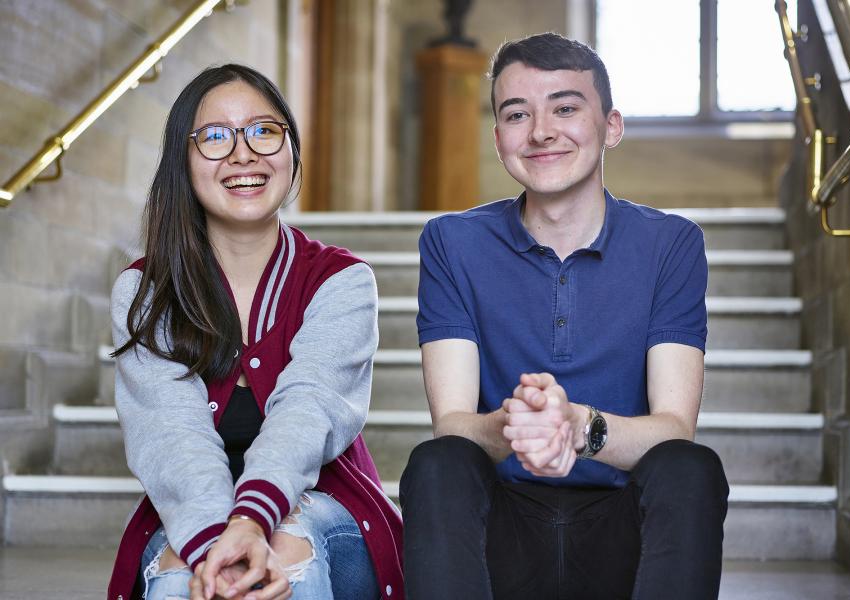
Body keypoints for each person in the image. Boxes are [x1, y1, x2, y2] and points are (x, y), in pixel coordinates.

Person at [400, 32, 729, 600]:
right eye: (517, 113)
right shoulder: (452, 243)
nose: (541, 131)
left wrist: (575, 426)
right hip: (502, 532)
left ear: (611, 127)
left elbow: (675, 426)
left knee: (690, 468)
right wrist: (516, 427)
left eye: (566, 108)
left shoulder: (671, 244)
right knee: (438, 462)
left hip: (619, 533)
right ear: (499, 137)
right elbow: (454, 422)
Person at [106, 64, 402, 600]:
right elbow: (170, 435)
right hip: (191, 509)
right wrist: (211, 546)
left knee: (286, 561)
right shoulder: (146, 289)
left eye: (264, 131)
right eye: (215, 137)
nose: (243, 153)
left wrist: (251, 522)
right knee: (183, 580)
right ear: (184, 161)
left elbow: (306, 411)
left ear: (290, 149)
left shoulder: (341, 280)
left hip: (322, 503)